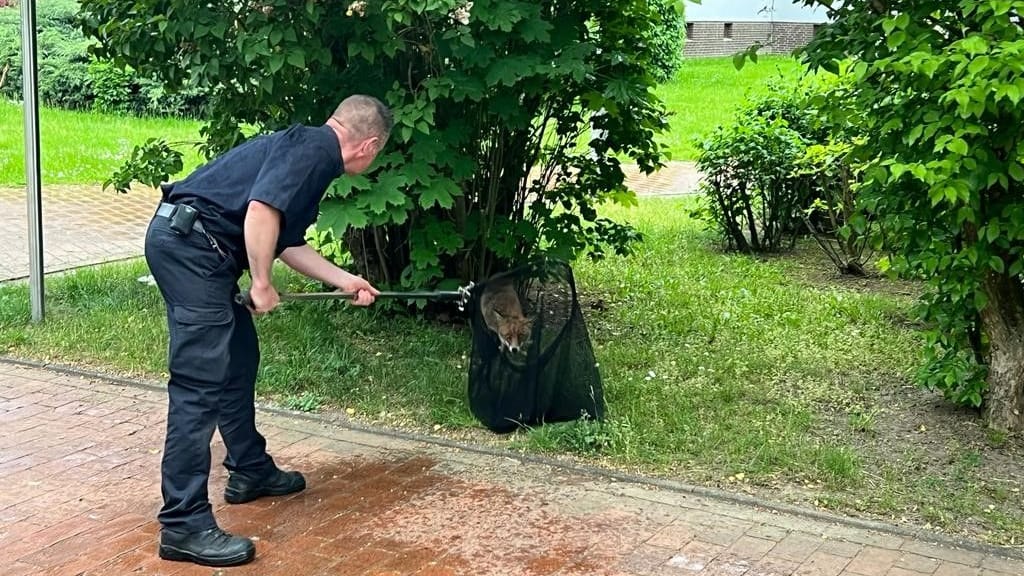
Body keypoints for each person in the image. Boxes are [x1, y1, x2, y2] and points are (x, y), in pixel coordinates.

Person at [143, 94, 392, 567]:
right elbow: (260, 212)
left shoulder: (309, 148)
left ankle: (250, 470)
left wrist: (345, 279)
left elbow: (283, 240)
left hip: (196, 248)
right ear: (370, 145)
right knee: (199, 385)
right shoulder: (315, 152)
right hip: (193, 249)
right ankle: (183, 524)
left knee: (237, 360)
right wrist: (260, 284)